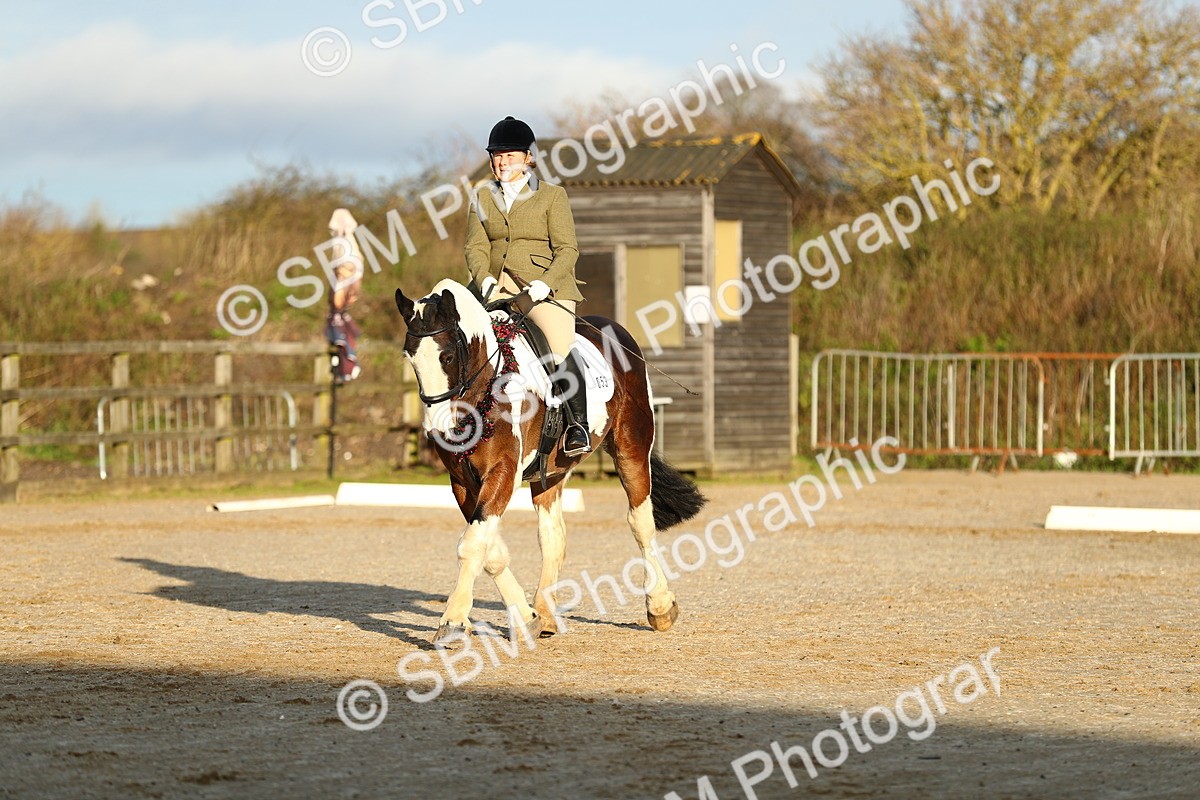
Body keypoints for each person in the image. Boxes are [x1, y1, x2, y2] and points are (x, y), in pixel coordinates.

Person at [464, 115, 591, 456]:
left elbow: (568, 249)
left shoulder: (552, 196)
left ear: (528, 158)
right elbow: (475, 247)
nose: (502, 161)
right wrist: (484, 279)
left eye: (510, 155)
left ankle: (578, 425)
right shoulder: (481, 196)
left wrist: (543, 284)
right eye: (497, 155)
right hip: (494, 288)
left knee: (558, 346)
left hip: (544, 290)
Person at [326, 208, 364, 384]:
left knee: (341, 334)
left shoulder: (347, 253)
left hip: (339, 311)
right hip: (339, 312)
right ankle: (343, 365)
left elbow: (339, 300)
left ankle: (347, 366)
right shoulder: (343, 247)